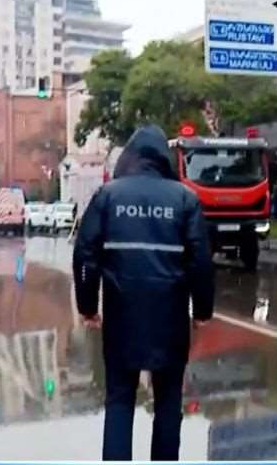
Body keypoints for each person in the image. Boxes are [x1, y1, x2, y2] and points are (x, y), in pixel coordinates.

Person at [72, 125, 215, 461]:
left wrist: (88, 305)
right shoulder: (184, 199)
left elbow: (85, 256)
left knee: (120, 400)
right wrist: (203, 312)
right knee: (167, 402)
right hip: (171, 321)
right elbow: (200, 263)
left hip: (122, 320)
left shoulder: (108, 196)